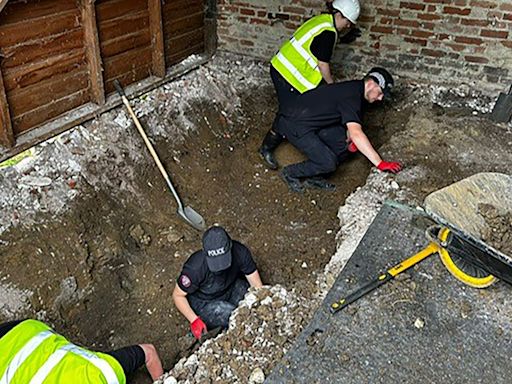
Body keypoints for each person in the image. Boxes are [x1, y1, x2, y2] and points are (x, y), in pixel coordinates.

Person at [259, 0, 362, 170]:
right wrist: (331, 86)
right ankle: (266, 148)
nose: (347, 26)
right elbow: (323, 65)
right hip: (286, 74)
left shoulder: (322, 20)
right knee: (288, 112)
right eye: (348, 23)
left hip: (285, 68)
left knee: (299, 109)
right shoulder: (328, 33)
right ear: (341, 15)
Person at [276, 67, 403, 193]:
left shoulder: (356, 90)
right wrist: (380, 163)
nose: (380, 98)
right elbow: (356, 133)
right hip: (294, 123)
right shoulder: (352, 96)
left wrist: (349, 137)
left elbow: (350, 124)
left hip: (313, 121)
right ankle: (290, 172)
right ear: (371, 84)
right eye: (380, 93)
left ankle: (314, 177)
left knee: (343, 144)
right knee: (327, 163)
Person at [0, 319, 163, 383]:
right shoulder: (103, 373)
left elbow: (148, 352)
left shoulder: (103, 372)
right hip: (29, 334)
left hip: (29, 331)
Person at [172, 226, 263, 340]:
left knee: (250, 300)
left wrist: (262, 305)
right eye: (215, 263)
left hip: (230, 287)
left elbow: (258, 288)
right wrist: (194, 320)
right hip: (204, 302)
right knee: (236, 317)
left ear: (230, 247)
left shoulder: (240, 252)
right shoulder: (195, 268)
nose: (220, 267)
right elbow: (177, 295)